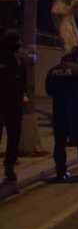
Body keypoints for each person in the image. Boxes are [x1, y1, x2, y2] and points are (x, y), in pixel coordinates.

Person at [45, 46, 78, 181]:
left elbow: (48, 90)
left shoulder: (53, 70)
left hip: (59, 112)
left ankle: (61, 173)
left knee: (60, 143)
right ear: (77, 57)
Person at [0, 30, 26, 183]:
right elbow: (19, 82)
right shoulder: (15, 61)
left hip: (11, 104)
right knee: (13, 137)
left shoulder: (17, 60)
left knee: (13, 137)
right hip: (12, 105)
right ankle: (9, 168)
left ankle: (10, 167)